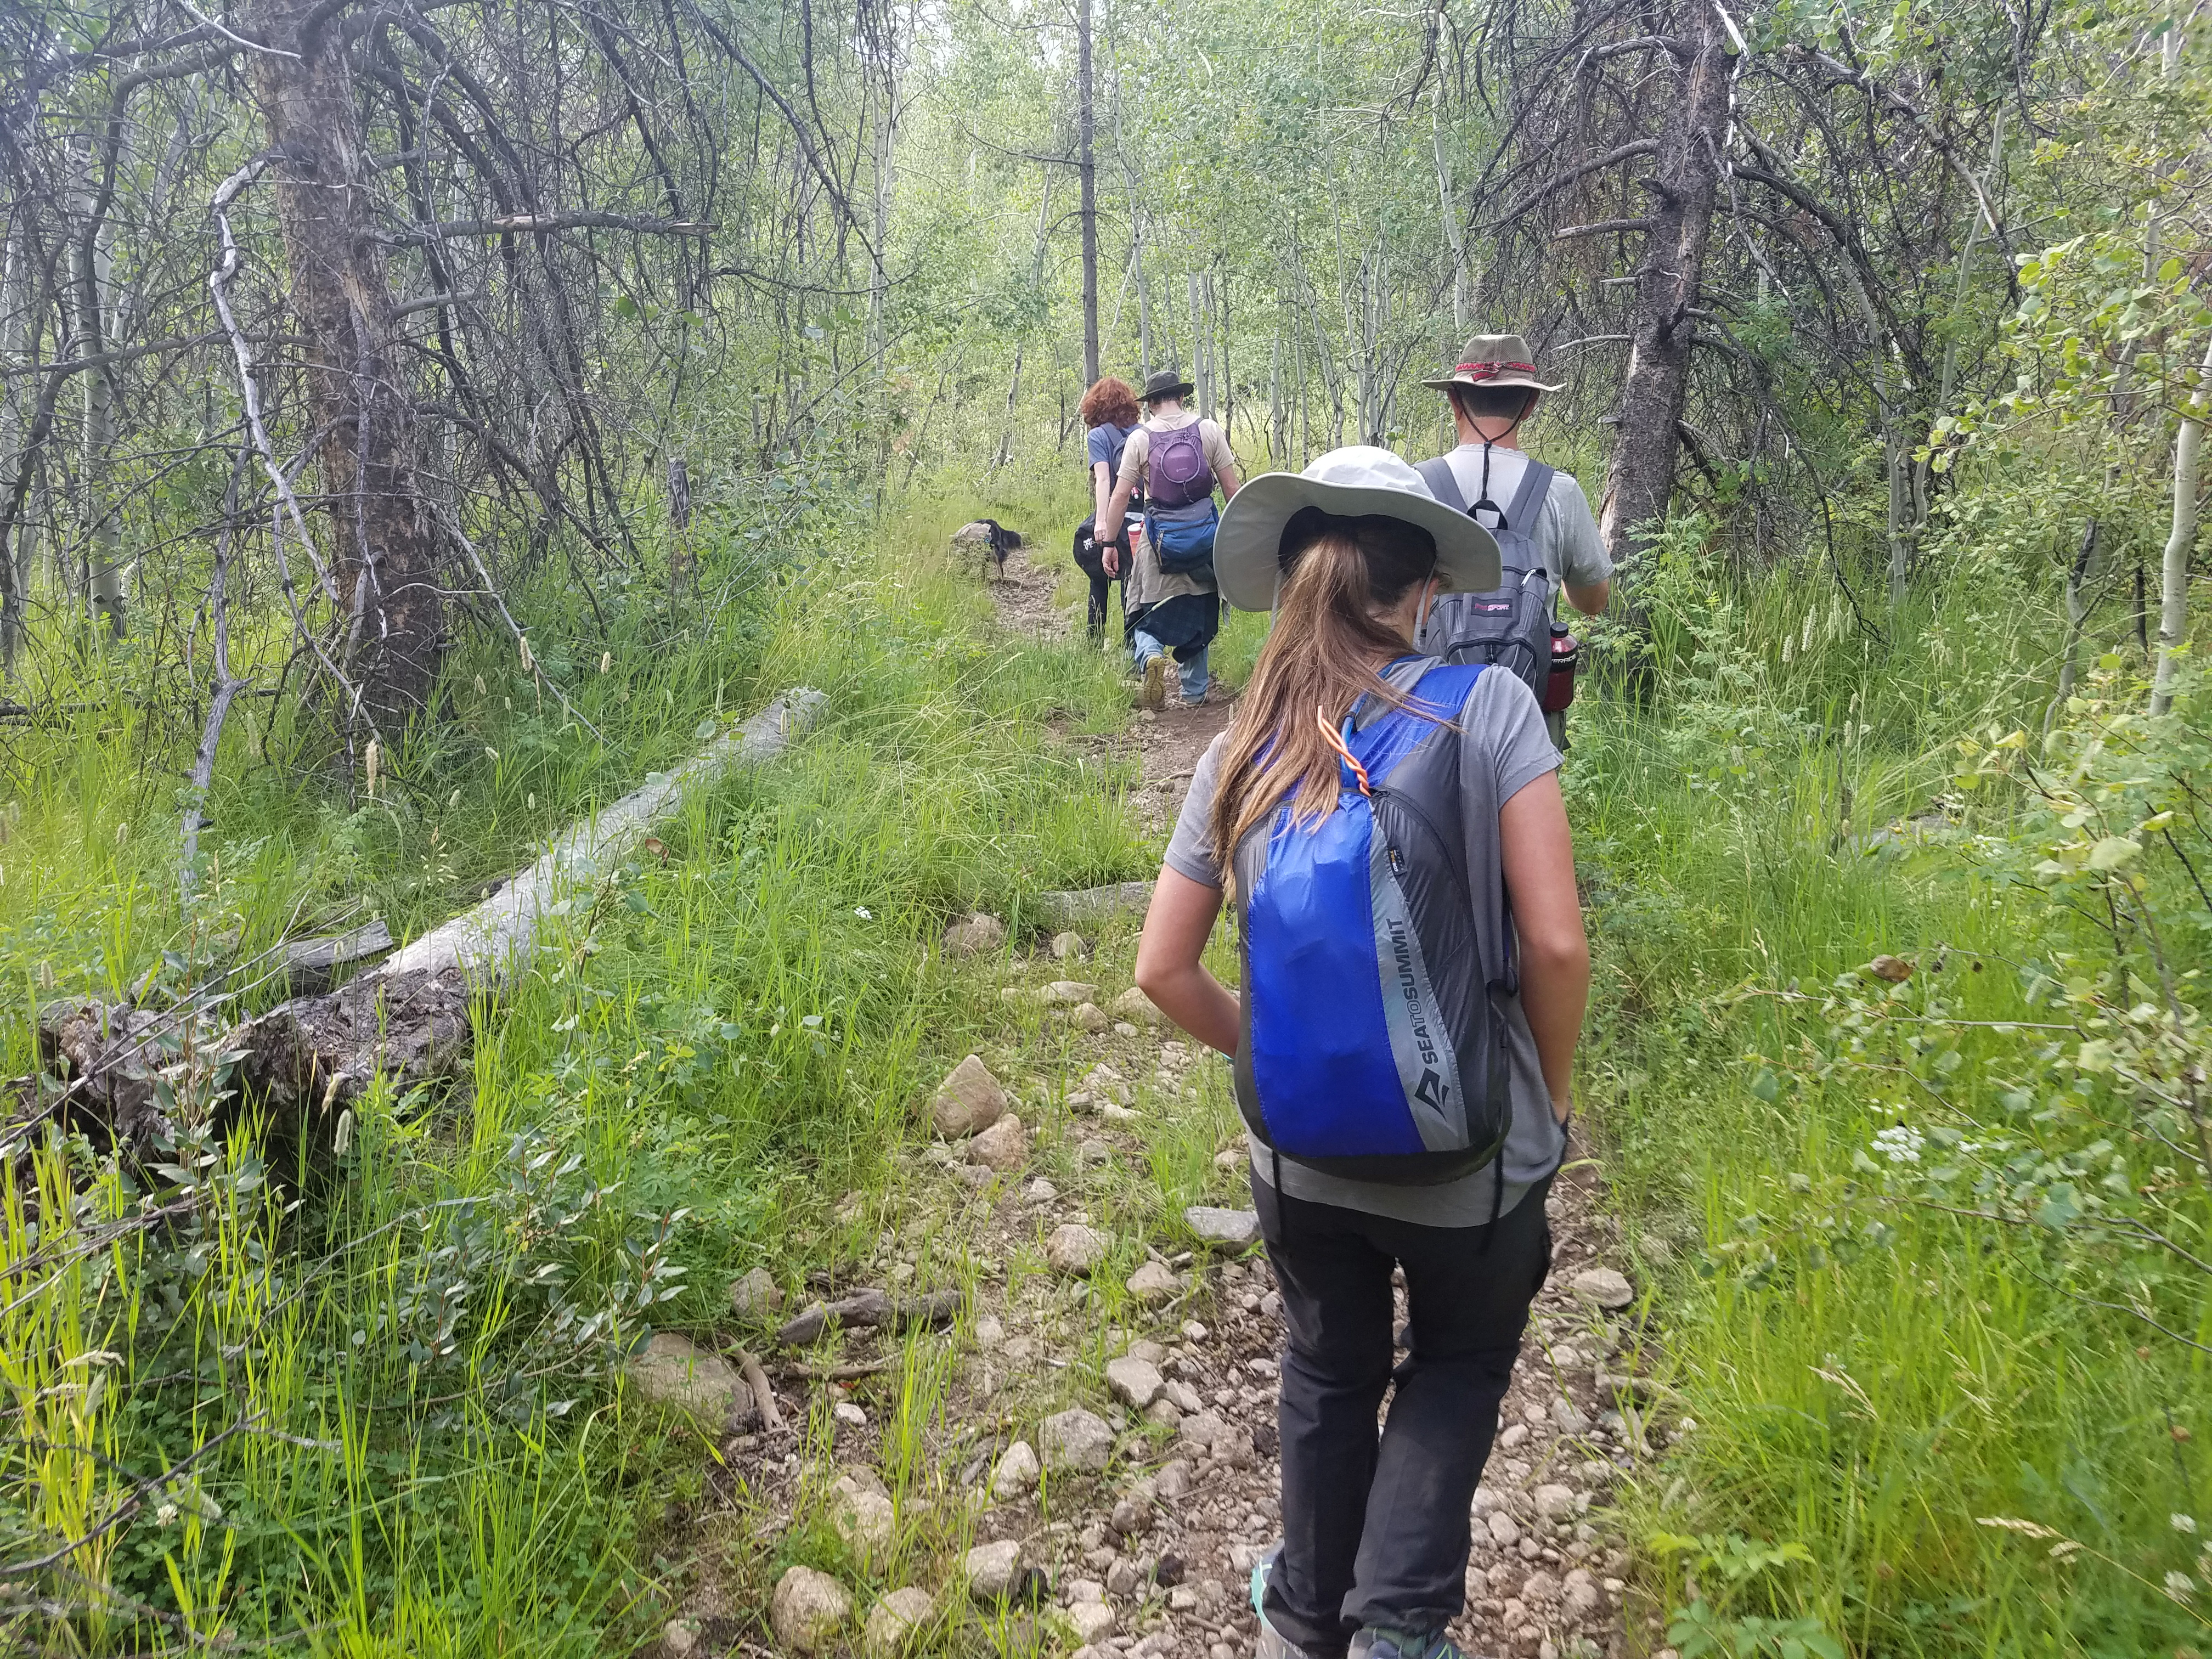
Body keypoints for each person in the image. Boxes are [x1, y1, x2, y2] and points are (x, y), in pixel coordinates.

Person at [1132, 446, 1590, 1659]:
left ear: (1292, 592)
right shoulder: (1487, 710)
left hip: (1300, 1161)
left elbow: (1161, 971)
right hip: (1469, 1162)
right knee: (1457, 1361)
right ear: (1422, 590)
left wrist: (1268, 1049)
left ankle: (1301, 1624)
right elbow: (1555, 945)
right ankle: (1398, 1628)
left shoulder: (1239, 749)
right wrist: (1548, 1092)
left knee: (1327, 1373)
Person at [1422, 334, 1611, 746]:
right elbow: (1594, 601)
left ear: (1454, 401)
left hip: (1429, 709)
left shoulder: (1415, 486)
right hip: (1527, 711)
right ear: (1530, 406)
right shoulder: (1561, 492)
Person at [1101, 368, 1243, 709]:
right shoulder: (1208, 430)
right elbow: (1232, 490)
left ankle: (1150, 655)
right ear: (1181, 398)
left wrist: (1108, 543)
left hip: (1158, 541)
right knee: (1199, 611)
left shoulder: (1140, 439)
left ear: (1151, 405)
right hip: (1205, 537)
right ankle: (1194, 693)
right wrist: (1240, 540)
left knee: (1145, 606)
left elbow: (1120, 496)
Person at [1077, 375, 1143, 645]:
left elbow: (1103, 480)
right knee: (1133, 584)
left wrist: (1102, 523)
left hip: (1117, 517)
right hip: (1142, 520)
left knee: (1099, 579)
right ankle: (1134, 649)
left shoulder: (1098, 436)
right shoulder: (1142, 432)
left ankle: (1094, 643)